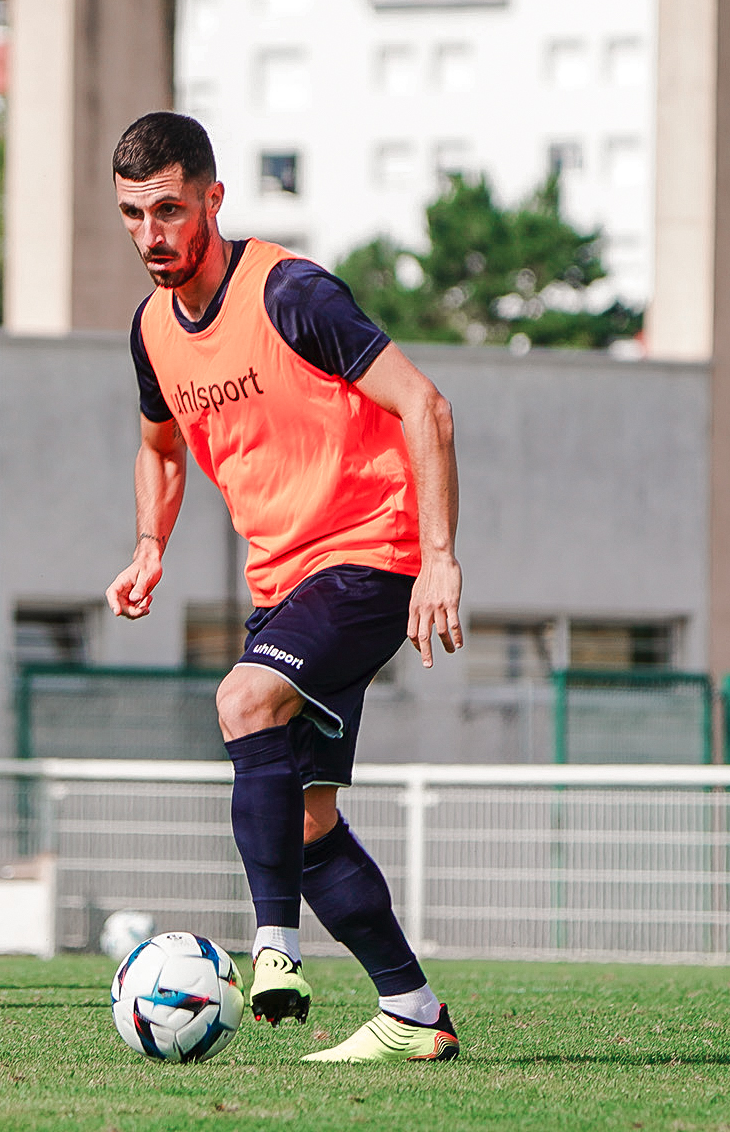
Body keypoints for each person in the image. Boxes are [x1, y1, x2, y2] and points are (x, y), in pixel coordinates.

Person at [104, 113, 463, 1063]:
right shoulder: (150, 332)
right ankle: (413, 1013)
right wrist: (150, 542)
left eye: (170, 211)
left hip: (369, 554)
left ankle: (273, 950)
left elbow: (425, 405)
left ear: (212, 201)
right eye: (135, 216)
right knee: (305, 822)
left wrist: (440, 558)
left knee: (243, 698)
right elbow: (159, 444)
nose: (153, 235)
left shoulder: (293, 294)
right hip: (285, 582)